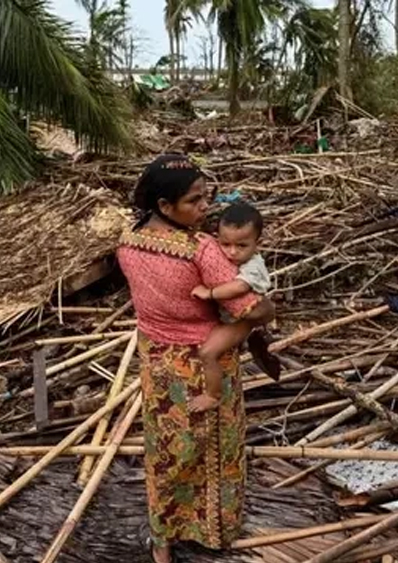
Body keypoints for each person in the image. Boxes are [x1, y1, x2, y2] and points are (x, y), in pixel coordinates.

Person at [116, 154, 276, 563]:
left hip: (156, 363)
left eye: (207, 197)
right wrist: (268, 308)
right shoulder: (201, 250)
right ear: (165, 207)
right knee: (216, 450)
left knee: (165, 449)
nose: (206, 208)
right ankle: (212, 530)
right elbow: (251, 309)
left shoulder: (127, 243)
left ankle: (163, 534)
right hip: (207, 365)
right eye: (194, 201)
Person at [189, 201, 279, 412]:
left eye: (241, 246)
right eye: (225, 244)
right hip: (229, 317)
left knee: (207, 353)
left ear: (258, 243)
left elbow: (238, 287)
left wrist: (208, 293)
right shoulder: (228, 252)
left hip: (240, 322)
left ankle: (213, 395)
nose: (232, 252)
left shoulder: (253, 266)